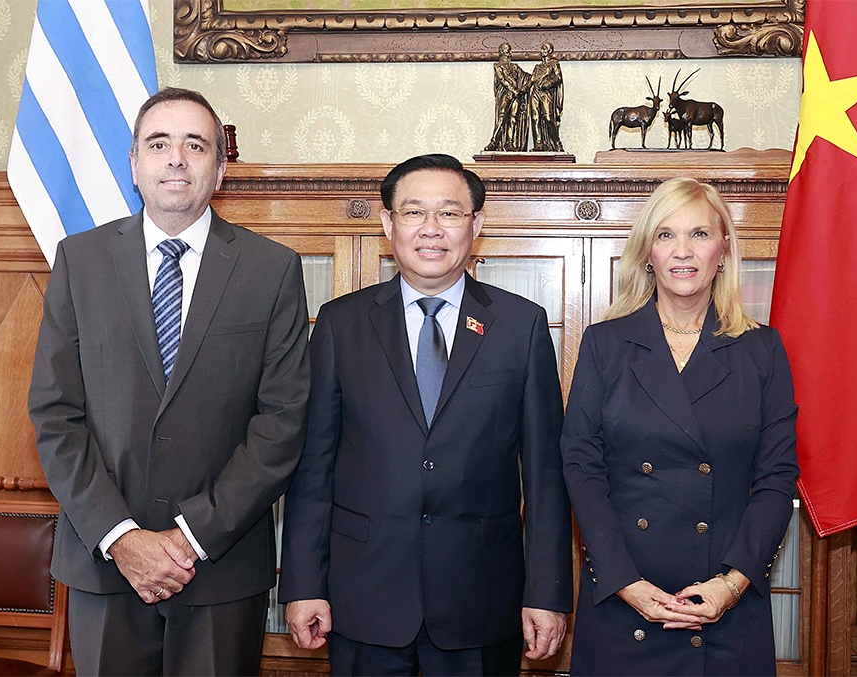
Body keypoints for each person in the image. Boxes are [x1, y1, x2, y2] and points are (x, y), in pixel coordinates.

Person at [28, 87, 311, 675]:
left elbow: (281, 425)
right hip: (105, 565)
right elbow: (56, 416)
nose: (176, 159)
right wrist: (121, 536)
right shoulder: (78, 262)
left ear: (220, 166)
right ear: (134, 163)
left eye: (195, 144)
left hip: (218, 568)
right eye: (159, 144)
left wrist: (190, 538)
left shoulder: (272, 269)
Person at [279, 154, 572, 676]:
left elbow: (546, 476)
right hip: (363, 601)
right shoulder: (340, 325)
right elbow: (313, 468)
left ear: (476, 225)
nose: (431, 229)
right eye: (414, 213)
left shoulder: (521, 327)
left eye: (450, 214)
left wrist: (547, 593)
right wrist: (303, 584)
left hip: (481, 604)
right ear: (389, 223)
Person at [560, 178, 799, 675]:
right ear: (647, 251)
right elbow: (581, 467)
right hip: (624, 600)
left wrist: (731, 586)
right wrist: (624, 581)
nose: (683, 251)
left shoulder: (762, 349)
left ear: (724, 249)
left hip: (724, 606)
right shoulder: (606, 344)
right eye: (666, 235)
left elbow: (777, 478)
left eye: (699, 234)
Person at [483, 43, 530, 152]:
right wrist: (514, 90)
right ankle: (494, 141)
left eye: (508, 50)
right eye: (505, 50)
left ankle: (510, 142)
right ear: (501, 52)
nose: (507, 53)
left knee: (514, 118)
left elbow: (526, 77)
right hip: (506, 94)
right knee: (502, 116)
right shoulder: (498, 66)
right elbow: (502, 79)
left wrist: (530, 82)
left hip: (516, 95)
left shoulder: (515, 67)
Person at [528, 42, 564, 153]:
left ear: (549, 51)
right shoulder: (537, 67)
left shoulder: (554, 63)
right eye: (542, 48)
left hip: (546, 93)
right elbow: (532, 80)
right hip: (535, 92)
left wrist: (548, 83)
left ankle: (557, 143)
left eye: (544, 48)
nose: (542, 50)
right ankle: (538, 144)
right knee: (535, 118)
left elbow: (558, 78)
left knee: (548, 118)